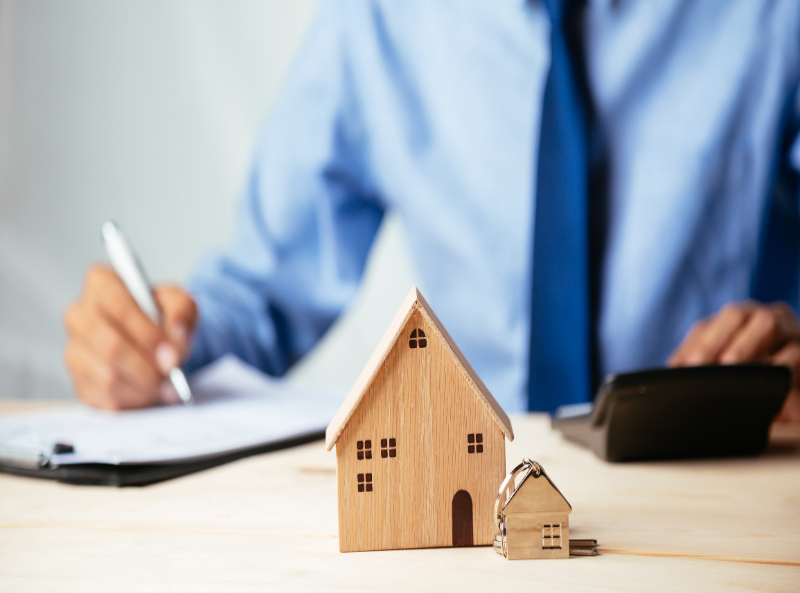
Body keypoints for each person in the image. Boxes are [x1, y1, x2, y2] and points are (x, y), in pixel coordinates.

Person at [63, 0, 800, 422]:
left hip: (721, 490)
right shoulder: (381, 19)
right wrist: (154, 343)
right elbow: (260, 294)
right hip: (469, 504)